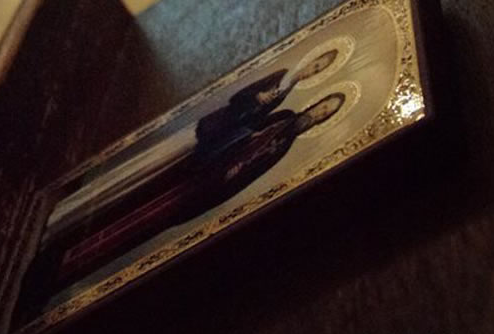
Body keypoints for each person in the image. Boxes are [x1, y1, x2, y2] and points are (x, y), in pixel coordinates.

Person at [29, 92, 345, 299]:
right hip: (198, 172)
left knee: (146, 225)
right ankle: (59, 248)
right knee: (135, 203)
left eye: (325, 114)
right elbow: (240, 129)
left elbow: (250, 174)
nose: (318, 113)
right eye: (322, 107)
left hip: (205, 191)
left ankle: (60, 272)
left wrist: (231, 176)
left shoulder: (285, 145)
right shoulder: (283, 116)